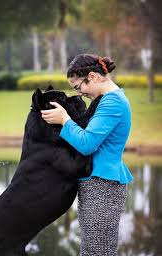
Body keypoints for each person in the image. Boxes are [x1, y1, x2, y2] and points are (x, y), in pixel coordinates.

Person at [41, 54, 134, 256]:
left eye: (78, 87)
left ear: (92, 76)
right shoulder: (108, 101)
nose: (80, 93)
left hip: (103, 183)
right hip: (98, 182)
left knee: (97, 250)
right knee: (93, 248)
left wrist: (64, 119)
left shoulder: (112, 103)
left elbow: (87, 143)